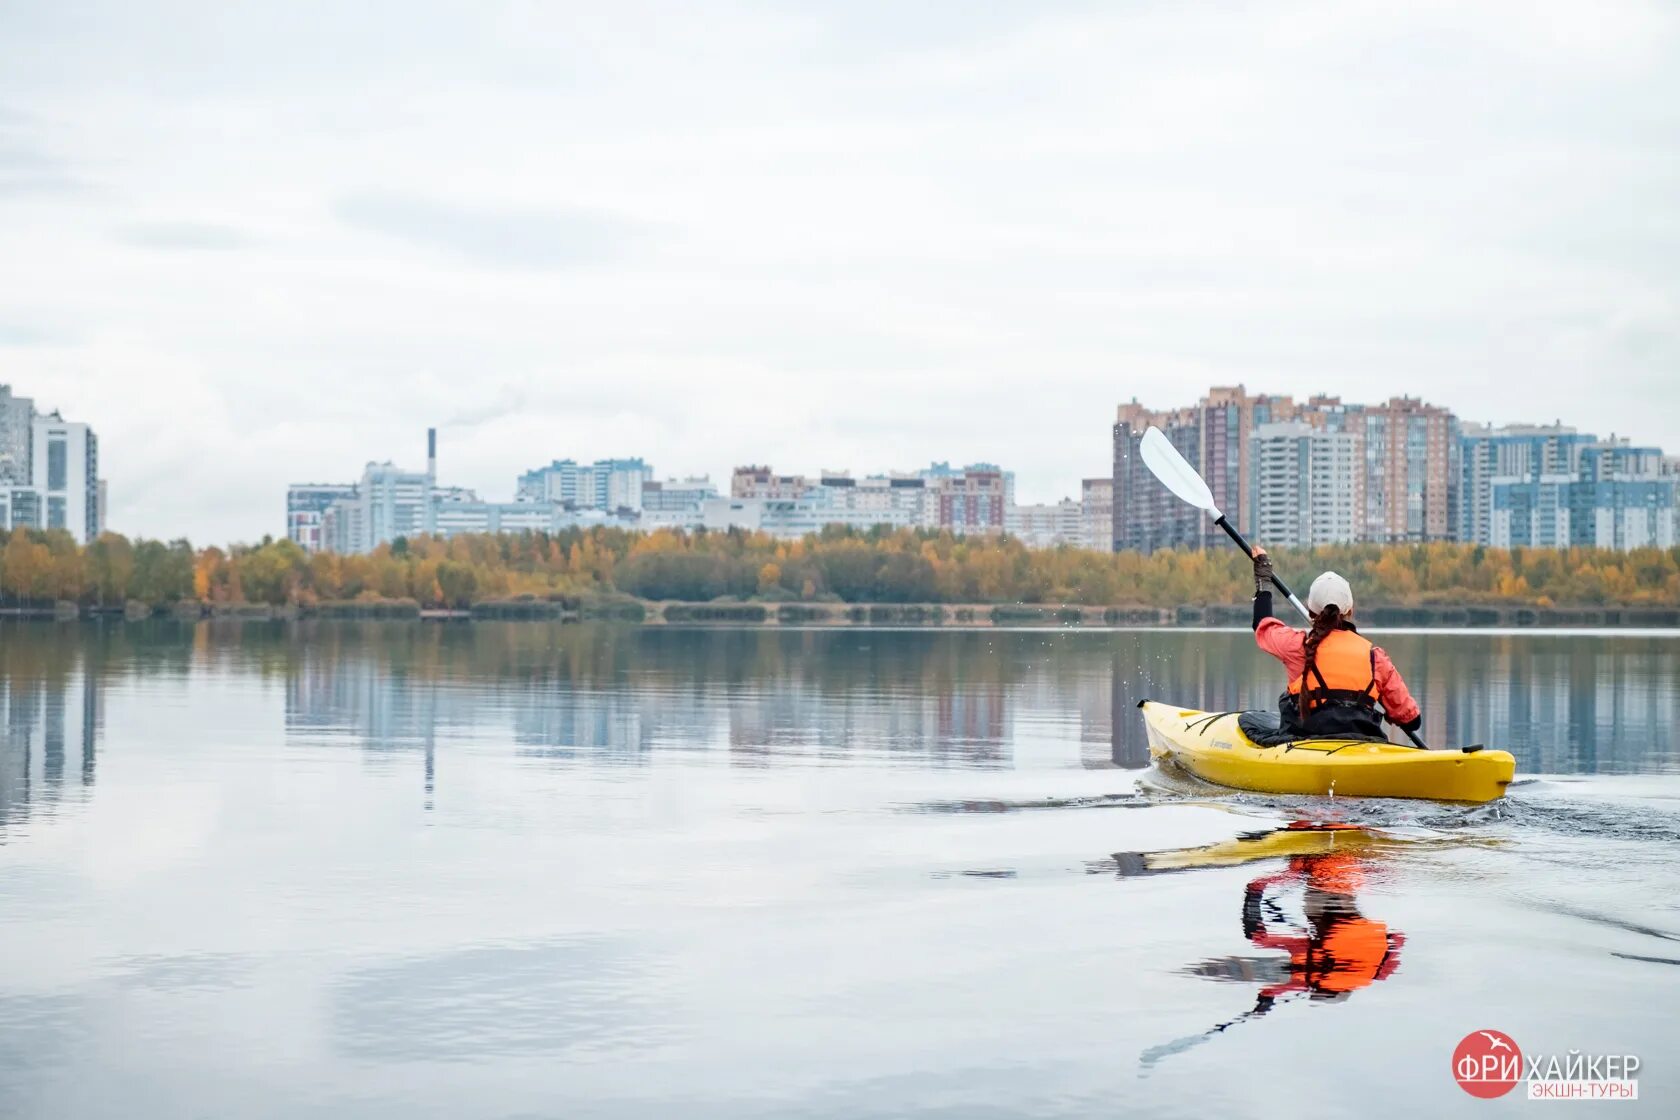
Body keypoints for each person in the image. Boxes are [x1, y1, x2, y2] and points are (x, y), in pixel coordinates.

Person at [1250, 548, 1421, 741]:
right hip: (1361, 744)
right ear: (1350, 610)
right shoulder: (1375, 658)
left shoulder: (1297, 646)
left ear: (1311, 612)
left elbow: (1262, 626)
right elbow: (1412, 720)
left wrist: (1263, 578)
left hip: (1306, 744)